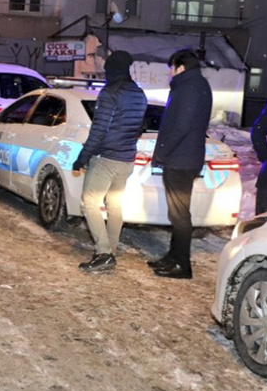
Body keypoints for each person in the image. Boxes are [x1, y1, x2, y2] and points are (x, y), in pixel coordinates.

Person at [71, 50, 148, 273]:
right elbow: (139, 127)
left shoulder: (110, 93)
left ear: (112, 70)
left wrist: (82, 157)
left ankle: (103, 252)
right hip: (126, 159)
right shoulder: (139, 93)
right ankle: (110, 250)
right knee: (115, 204)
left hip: (106, 158)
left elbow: (99, 130)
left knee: (89, 203)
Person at [148, 49, 212, 279]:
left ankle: (182, 265)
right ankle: (173, 257)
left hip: (180, 159)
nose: (170, 74)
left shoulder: (188, 88)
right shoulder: (197, 85)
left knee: (180, 214)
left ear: (180, 67)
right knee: (177, 213)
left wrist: (163, 152)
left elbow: (180, 126)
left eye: (171, 69)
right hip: (184, 157)